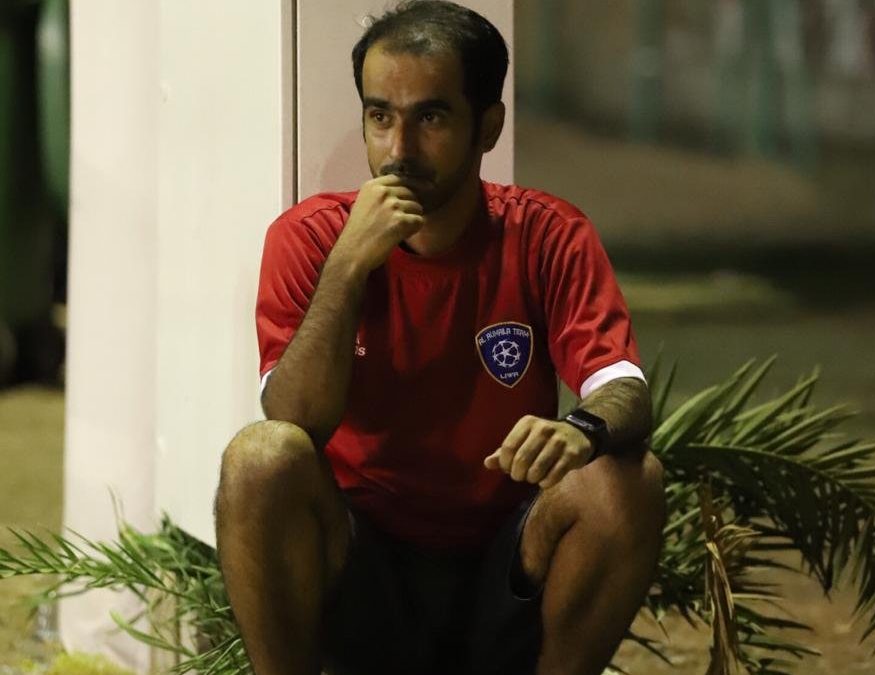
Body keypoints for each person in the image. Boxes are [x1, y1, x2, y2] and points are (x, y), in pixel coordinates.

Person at [215, 2, 665, 674]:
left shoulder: (546, 235)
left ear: (489, 126)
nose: (398, 150)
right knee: (259, 458)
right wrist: (348, 266)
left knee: (630, 480)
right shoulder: (311, 238)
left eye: (430, 118)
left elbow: (623, 387)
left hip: (506, 559)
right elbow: (294, 417)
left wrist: (581, 431)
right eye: (380, 117)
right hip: (362, 560)